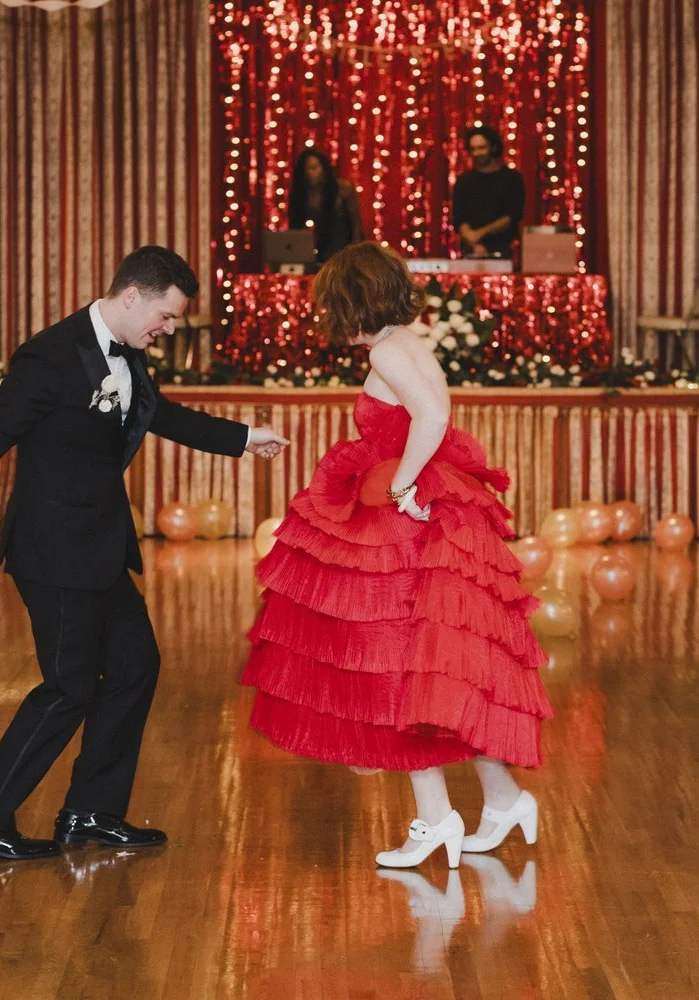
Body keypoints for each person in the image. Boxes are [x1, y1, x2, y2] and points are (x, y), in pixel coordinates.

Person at [0, 246, 289, 861]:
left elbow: (157, 414)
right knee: (68, 688)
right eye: (167, 317)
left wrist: (243, 438)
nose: (169, 330)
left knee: (134, 667)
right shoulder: (50, 355)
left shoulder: (128, 353)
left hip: (99, 547)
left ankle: (91, 810)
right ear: (131, 298)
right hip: (53, 550)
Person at [241, 241, 552, 869]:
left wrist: (405, 484)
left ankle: (438, 819)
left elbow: (432, 417)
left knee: (395, 661)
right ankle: (502, 800)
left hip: (409, 515)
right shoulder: (409, 341)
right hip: (429, 507)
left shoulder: (387, 348)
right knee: (441, 664)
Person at [451, 126, 524, 258]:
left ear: (493, 148)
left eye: (481, 148)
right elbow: (459, 218)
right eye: (473, 149)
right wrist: (473, 242)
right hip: (470, 249)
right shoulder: (465, 180)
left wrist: (479, 234)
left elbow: (512, 216)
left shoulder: (511, 179)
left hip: (504, 248)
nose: (477, 153)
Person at [288, 148, 365, 264]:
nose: (310, 173)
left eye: (314, 168)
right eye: (306, 170)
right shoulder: (301, 194)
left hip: (343, 253)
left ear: (323, 168)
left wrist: (354, 255)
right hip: (314, 256)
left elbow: (356, 225)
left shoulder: (342, 189)